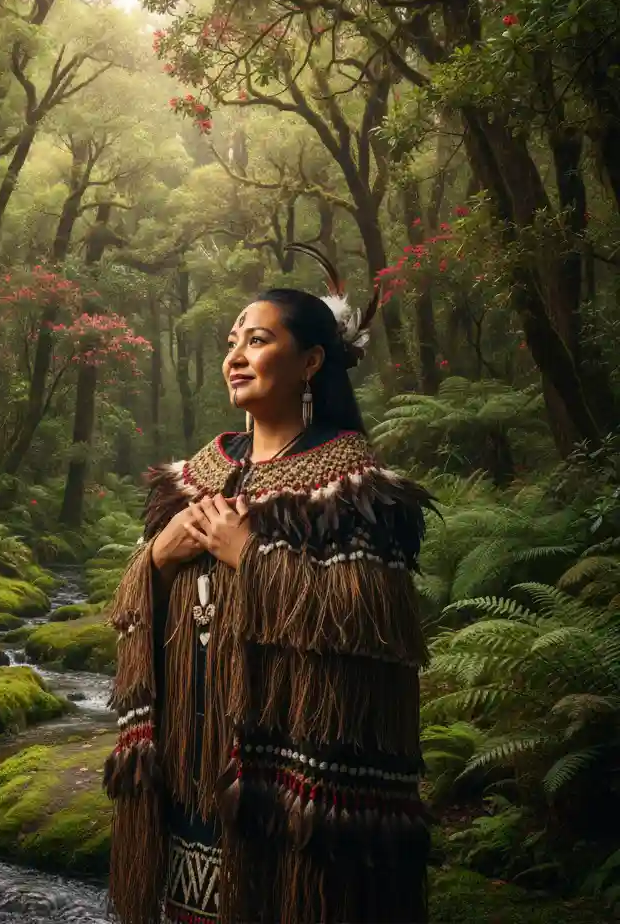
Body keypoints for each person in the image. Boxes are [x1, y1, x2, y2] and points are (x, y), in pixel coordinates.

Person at [103, 246, 434, 924]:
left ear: (312, 362)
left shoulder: (354, 484)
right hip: (187, 766)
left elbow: (375, 625)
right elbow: (129, 612)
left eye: (258, 340)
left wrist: (249, 556)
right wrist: (157, 561)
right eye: (232, 342)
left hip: (291, 780)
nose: (236, 355)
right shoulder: (195, 471)